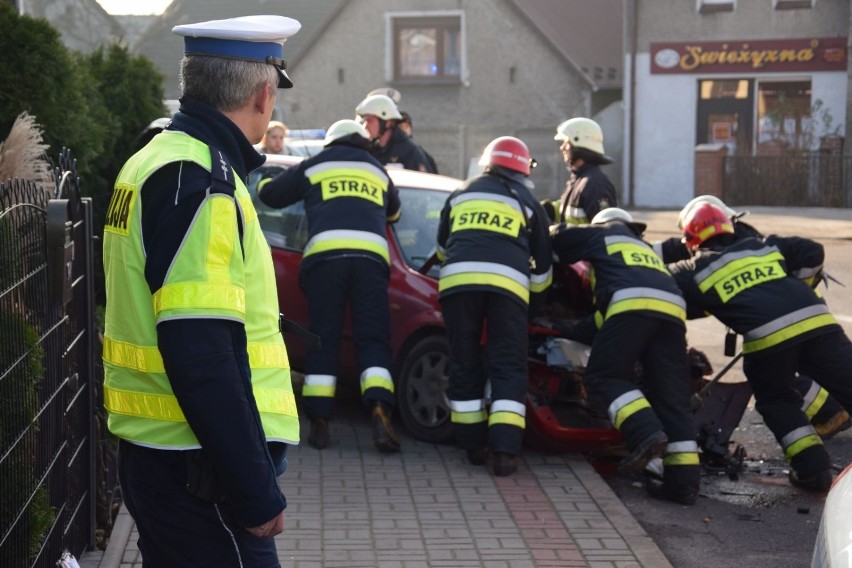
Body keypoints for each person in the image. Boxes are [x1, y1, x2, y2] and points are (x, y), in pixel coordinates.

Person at [101, 15, 302, 567]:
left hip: (163, 455)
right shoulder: (202, 180)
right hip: (202, 471)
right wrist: (254, 487)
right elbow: (203, 351)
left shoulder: (153, 161)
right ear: (264, 94)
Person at [669, 202, 852, 491]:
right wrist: (800, 285)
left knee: (777, 400)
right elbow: (812, 250)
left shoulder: (695, 270)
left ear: (691, 241)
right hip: (817, 323)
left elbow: (665, 290)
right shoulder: (763, 246)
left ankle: (813, 469)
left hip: (768, 341)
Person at [257, 119, 402, 453]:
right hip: (370, 261)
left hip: (325, 261)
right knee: (373, 337)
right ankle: (380, 408)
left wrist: (265, 175)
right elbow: (394, 213)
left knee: (323, 336)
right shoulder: (377, 169)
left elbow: (271, 196)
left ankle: (320, 422)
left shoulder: (316, 164)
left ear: (331, 142)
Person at [550, 208, 701, 505]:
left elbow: (559, 237)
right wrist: (565, 329)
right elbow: (602, 320)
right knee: (671, 397)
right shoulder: (644, 251)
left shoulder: (603, 233)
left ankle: (645, 433)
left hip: (631, 305)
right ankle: (682, 485)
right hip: (672, 311)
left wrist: (543, 225)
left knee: (605, 376)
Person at [435, 136, 553, 476]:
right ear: (521, 168)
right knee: (508, 365)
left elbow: (443, 248)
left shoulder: (461, 193)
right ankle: (504, 453)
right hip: (508, 290)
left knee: (464, 360)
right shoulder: (527, 201)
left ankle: (472, 445)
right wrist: (532, 309)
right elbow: (543, 269)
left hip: (457, 284)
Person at [546, 117, 618, 224]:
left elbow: (604, 230)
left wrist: (563, 232)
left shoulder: (596, 185)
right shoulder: (578, 180)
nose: (562, 148)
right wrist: (545, 209)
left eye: (567, 143)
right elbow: (568, 210)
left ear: (579, 146)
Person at [355, 93, 435, 173]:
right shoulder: (368, 149)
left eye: (370, 121)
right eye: (365, 121)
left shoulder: (409, 151)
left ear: (387, 122)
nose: (365, 126)